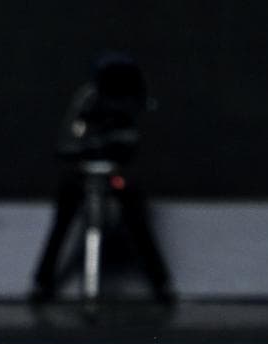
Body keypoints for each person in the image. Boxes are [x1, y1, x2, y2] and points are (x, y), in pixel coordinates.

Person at [31, 52, 172, 303]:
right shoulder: (88, 101)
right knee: (65, 208)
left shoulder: (133, 101)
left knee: (136, 214)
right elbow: (67, 143)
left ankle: (161, 283)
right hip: (84, 172)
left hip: (116, 171)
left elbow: (132, 142)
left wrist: (115, 145)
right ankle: (43, 281)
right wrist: (90, 144)